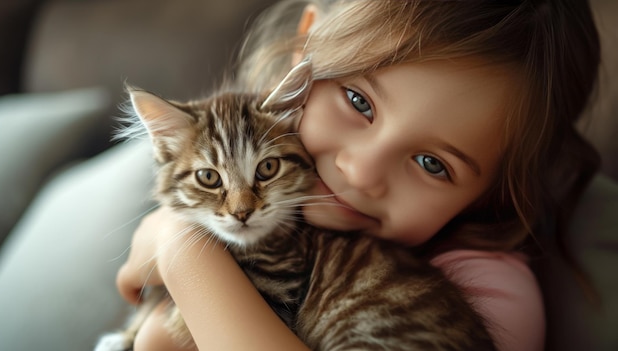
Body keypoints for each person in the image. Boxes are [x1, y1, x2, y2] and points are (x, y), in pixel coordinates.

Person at [115, 0, 601, 350]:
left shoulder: (498, 294)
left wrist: (178, 247)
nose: (361, 172)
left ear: (493, 192)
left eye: (433, 164)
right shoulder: (254, 165)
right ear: (303, 59)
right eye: (358, 101)